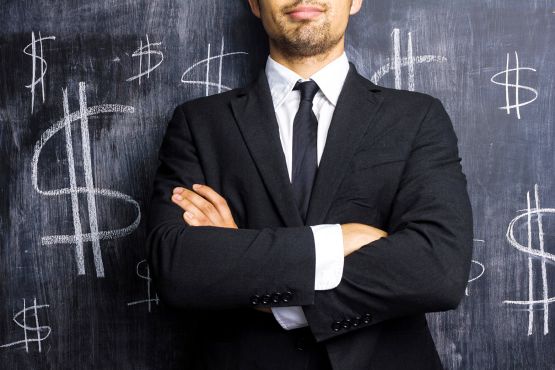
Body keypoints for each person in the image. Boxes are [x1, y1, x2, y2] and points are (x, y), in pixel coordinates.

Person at [145, 0, 474, 369]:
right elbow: (178, 268)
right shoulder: (199, 124)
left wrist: (256, 283)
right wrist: (338, 241)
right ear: (254, 3)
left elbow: (438, 271)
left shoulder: (418, 118)